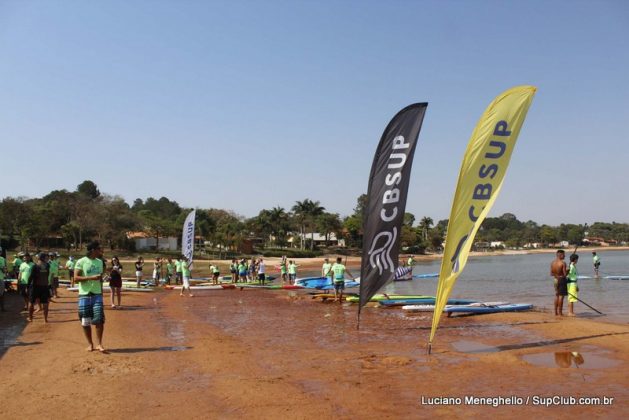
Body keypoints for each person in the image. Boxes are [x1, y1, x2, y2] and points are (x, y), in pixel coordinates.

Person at [74, 241, 106, 352]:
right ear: (93, 250)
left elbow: (100, 279)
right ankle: (90, 344)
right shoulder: (81, 261)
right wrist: (91, 278)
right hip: (84, 295)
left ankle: (99, 344)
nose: (100, 251)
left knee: (99, 320)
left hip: (97, 294)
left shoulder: (100, 262)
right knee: (85, 321)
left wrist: (101, 292)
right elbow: (76, 278)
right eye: (98, 249)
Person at [27, 253, 53, 322]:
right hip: (44, 286)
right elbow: (47, 275)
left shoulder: (35, 266)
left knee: (31, 302)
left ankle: (30, 318)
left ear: (39, 258)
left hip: (35, 286)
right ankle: (45, 319)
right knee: (45, 303)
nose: (47, 259)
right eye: (46, 258)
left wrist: (28, 286)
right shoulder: (47, 265)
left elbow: (31, 277)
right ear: (44, 258)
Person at [550, 249, 568, 317]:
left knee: (557, 295)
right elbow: (565, 274)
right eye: (564, 254)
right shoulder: (563, 263)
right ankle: (560, 313)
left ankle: (555, 312)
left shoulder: (552, 263)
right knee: (561, 296)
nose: (565, 256)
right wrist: (568, 270)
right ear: (560, 255)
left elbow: (551, 273)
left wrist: (556, 276)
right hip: (561, 280)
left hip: (555, 280)